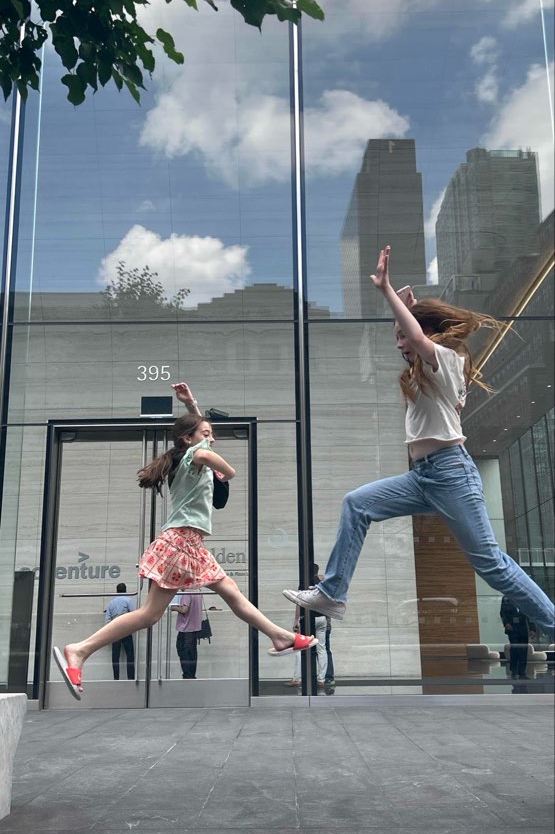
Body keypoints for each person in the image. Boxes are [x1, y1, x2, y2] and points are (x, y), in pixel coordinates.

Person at [283, 246, 555, 645]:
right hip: (424, 477)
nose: (399, 345)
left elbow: (415, 334)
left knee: (492, 565)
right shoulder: (430, 368)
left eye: (402, 337)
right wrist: (404, 312)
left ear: (425, 333)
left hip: (451, 474)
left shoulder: (445, 358)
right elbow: (413, 334)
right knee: (357, 503)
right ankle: (332, 595)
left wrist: (387, 290)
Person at [54, 406, 316, 698]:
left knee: (226, 592)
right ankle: (79, 650)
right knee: (150, 614)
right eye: (206, 434)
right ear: (188, 439)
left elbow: (198, 438)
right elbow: (217, 462)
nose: (212, 439)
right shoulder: (195, 456)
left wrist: (193, 405)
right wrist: (224, 471)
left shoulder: (188, 457)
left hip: (187, 542)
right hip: (181, 542)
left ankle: (279, 636)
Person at [104, 582, 135, 681]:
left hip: (115, 631)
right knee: (130, 656)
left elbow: (107, 620)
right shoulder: (129, 600)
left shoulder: (111, 603)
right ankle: (130, 678)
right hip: (126, 630)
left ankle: (116, 678)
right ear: (125, 590)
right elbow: (135, 615)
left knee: (115, 657)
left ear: (116, 591)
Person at [172, 591, 203, 679]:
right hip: (194, 627)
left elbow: (184, 609)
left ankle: (187, 676)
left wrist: (173, 607)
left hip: (186, 628)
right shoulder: (198, 592)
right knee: (192, 653)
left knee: (184, 652)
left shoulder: (187, 593)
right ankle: (191, 676)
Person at [500, 597, 530, 680]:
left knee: (523, 650)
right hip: (512, 629)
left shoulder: (524, 598)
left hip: (523, 629)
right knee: (515, 649)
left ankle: (522, 672)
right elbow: (503, 613)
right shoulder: (507, 598)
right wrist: (506, 623)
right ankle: (514, 671)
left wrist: (532, 629)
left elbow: (529, 615)